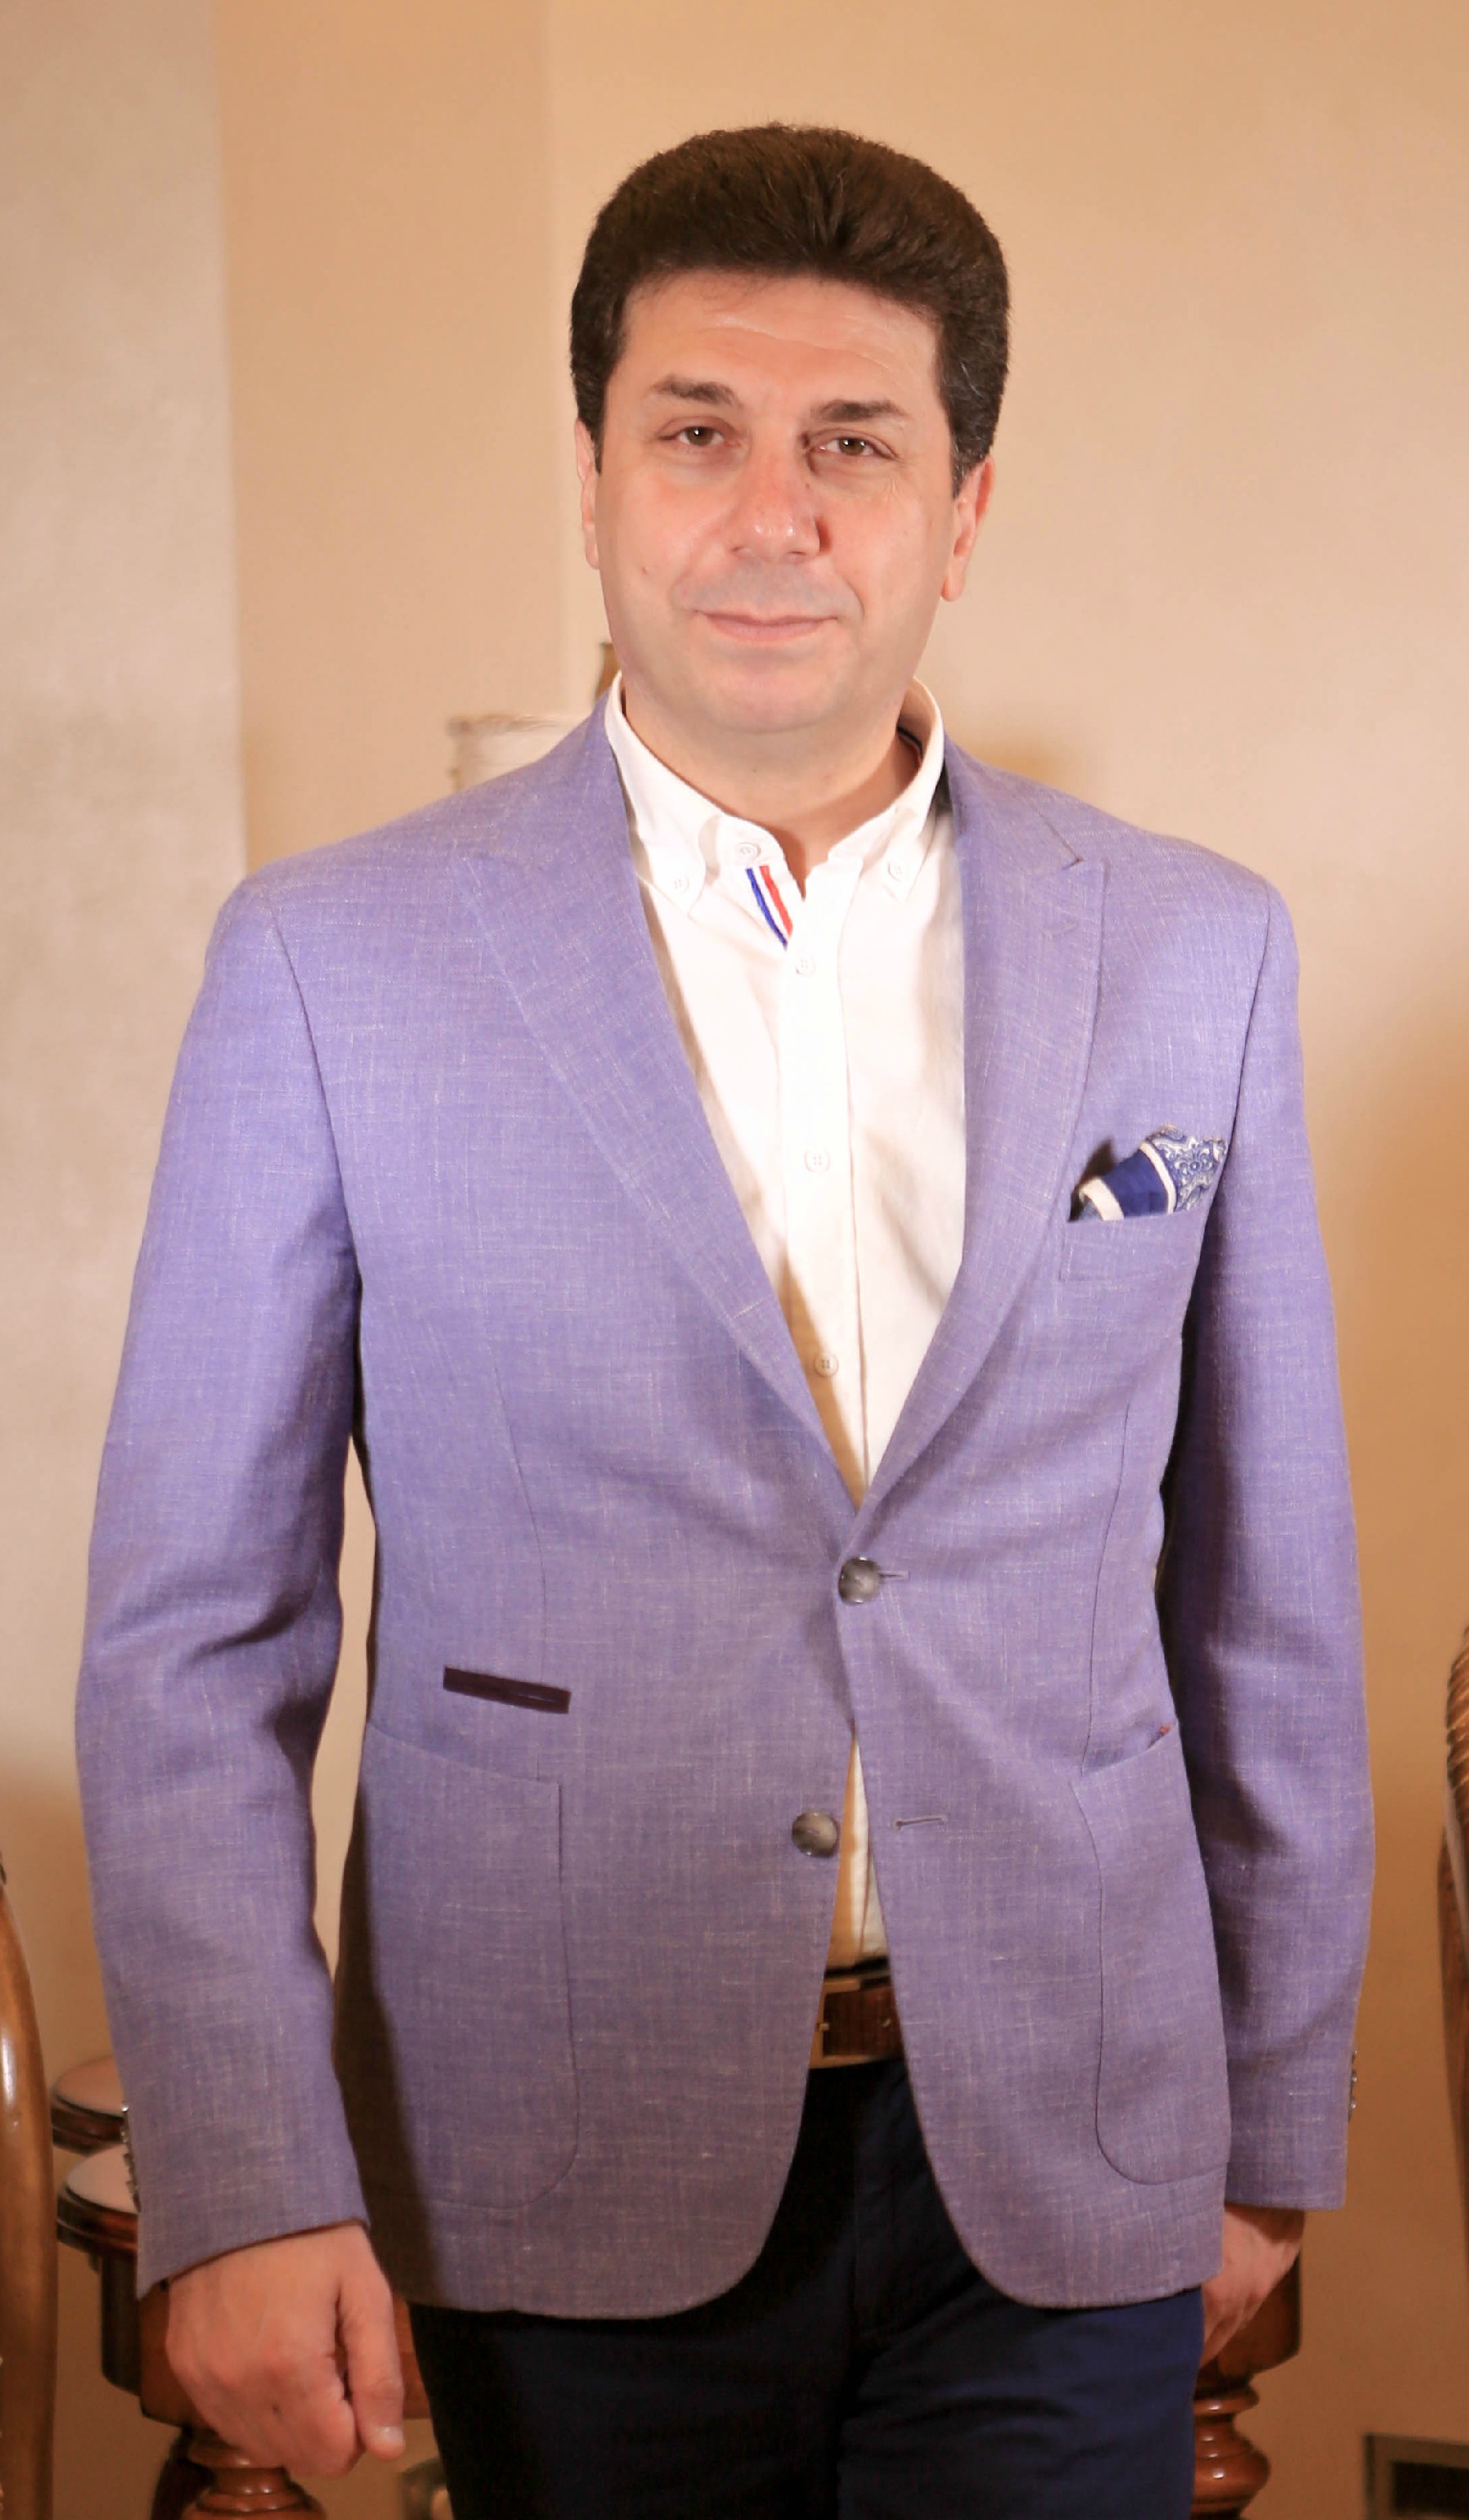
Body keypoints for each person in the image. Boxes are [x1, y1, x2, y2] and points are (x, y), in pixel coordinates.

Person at [77, 124, 1373, 2518]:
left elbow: (1267, 1603)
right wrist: (245, 2176)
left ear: (964, 510)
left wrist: (1275, 2126)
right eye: (697, 431)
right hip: (546, 2138)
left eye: (854, 445)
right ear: (591, 478)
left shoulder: (1202, 949)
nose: (772, 514)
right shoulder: (328, 963)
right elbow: (192, 1643)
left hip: (1069, 2153)